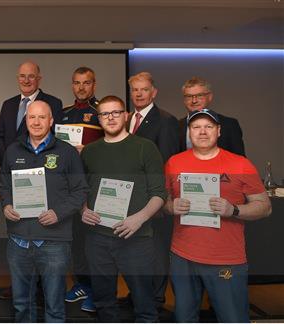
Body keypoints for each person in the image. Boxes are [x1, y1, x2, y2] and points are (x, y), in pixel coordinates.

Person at [164, 108, 271, 322]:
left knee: (232, 318)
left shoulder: (240, 164)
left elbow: (265, 206)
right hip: (182, 257)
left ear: (219, 131)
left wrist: (234, 210)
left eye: (208, 126)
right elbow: (165, 201)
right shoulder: (174, 163)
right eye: (196, 127)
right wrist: (171, 206)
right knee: (184, 317)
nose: (202, 132)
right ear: (189, 131)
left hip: (225, 259)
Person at [0, 100, 88, 322]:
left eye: (42, 117)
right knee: (21, 305)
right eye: (32, 117)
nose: (36, 122)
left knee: (55, 306)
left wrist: (58, 213)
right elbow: (4, 185)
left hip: (54, 242)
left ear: (51, 121)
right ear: (26, 121)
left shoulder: (67, 153)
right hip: (19, 241)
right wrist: (7, 205)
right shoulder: (13, 150)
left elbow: (80, 191)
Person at [81, 95, 166, 322]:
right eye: (105, 114)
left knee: (145, 305)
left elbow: (160, 193)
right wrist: (82, 209)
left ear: (126, 115)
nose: (110, 118)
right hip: (98, 239)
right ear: (99, 119)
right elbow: (80, 190)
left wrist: (139, 219)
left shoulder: (145, 148)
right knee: (104, 303)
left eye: (116, 112)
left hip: (136, 238)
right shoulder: (89, 151)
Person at [127, 71, 180, 310]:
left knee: (156, 251)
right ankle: (136, 294)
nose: (138, 94)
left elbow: (167, 162)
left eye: (144, 89)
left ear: (154, 92)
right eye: (135, 90)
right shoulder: (128, 119)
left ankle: (156, 299)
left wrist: (161, 199)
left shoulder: (165, 120)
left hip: (154, 200)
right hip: (130, 198)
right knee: (135, 250)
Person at [61, 66, 103, 313]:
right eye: (77, 83)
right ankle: (81, 284)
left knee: (93, 241)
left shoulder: (101, 112)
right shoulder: (64, 113)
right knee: (75, 239)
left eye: (86, 83)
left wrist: (85, 152)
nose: (81, 87)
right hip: (68, 186)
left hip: (94, 185)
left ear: (94, 85)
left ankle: (96, 290)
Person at [0, 61, 63, 165]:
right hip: (9, 167)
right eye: (22, 76)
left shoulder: (53, 103)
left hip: (37, 166)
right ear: (18, 78)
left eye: (31, 76)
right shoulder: (8, 104)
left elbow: (54, 137)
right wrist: (7, 161)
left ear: (39, 79)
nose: (26, 81)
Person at [179, 77, 245, 156]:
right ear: (184, 100)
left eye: (199, 95)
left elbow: (239, 158)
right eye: (189, 96)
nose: (194, 101)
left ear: (209, 97)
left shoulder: (229, 125)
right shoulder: (176, 125)